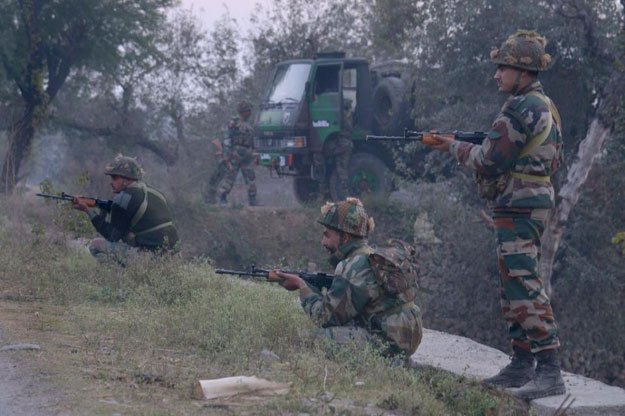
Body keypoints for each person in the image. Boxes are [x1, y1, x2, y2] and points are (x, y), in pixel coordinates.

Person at [428, 30, 565, 400]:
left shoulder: (520, 108)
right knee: (512, 284)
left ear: (521, 71)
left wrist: (452, 147)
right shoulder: (544, 105)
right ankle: (522, 365)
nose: (496, 75)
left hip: (520, 204)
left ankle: (549, 371)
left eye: (502, 68)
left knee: (523, 285)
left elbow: (489, 161)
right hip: (524, 204)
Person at [269, 197, 422, 359]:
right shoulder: (370, 255)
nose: (323, 242)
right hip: (404, 338)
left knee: (307, 339)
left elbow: (325, 318)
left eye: (327, 235)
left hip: (385, 342)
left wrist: (302, 287)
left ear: (346, 238)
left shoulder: (353, 266)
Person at [73, 154, 180, 262]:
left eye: (114, 177)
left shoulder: (123, 198)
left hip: (149, 258)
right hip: (173, 257)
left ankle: (114, 277)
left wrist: (88, 210)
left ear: (126, 178)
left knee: (96, 245)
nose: (111, 182)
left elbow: (112, 236)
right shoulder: (156, 193)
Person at [206, 100, 257, 206]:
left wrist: (254, 152)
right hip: (235, 154)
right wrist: (228, 154)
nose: (250, 113)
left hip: (247, 154)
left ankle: (253, 200)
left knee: (250, 177)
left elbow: (253, 140)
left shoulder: (250, 125)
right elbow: (227, 139)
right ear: (243, 112)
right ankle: (223, 197)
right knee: (230, 177)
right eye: (248, 111)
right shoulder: (234, 123)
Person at [313, 98, 354, 201]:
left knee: (320, 158)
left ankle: (324, 191)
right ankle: (342, 194)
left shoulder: (343, 116)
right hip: (344, 144)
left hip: (341, 144)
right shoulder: (349, 115)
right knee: (341, 170)